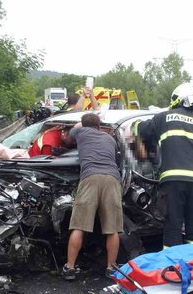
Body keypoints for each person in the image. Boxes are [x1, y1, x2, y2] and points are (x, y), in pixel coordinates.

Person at [133, 83, 193, 248]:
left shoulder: (164, 117)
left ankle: (171, 268)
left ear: (176, 100)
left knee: (173, 225)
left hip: (172, 181)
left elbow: (139, 129)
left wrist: (136, 127)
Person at [62, 113, 122, 280]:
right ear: (99, 126)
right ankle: (111, 268)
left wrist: (80, 124)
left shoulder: (80, 132)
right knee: (113, 228)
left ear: (84, 125)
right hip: (112, 179)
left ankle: (70, 268)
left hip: (90, 178)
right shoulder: (109, 139)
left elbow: (71, 133)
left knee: (79, 226)